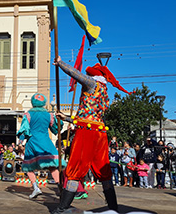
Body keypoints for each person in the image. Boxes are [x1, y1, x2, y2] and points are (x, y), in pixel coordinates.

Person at [52, 55, 133, 213]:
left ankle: (62, 208)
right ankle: (113, 208)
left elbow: (75, 74)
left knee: (75, 169)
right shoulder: (104, 91)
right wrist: (67, 118)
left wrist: (60, 63)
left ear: (93, 76)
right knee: (104, 171)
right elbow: (90, 117)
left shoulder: (92, 84)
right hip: (100, 133)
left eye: (88, 75)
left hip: (86, 134)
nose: (86, 77)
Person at [17, 93, 64, 199]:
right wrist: (59, 120)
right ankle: (60, 186)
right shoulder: (49, 115)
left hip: (33, 142)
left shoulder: (28, 114)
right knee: (52, 167)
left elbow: (24, 130)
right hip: (46, 143)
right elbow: (56, 129)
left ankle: (36, 187)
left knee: (28, 166)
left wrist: (20, 143)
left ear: (33, 102)